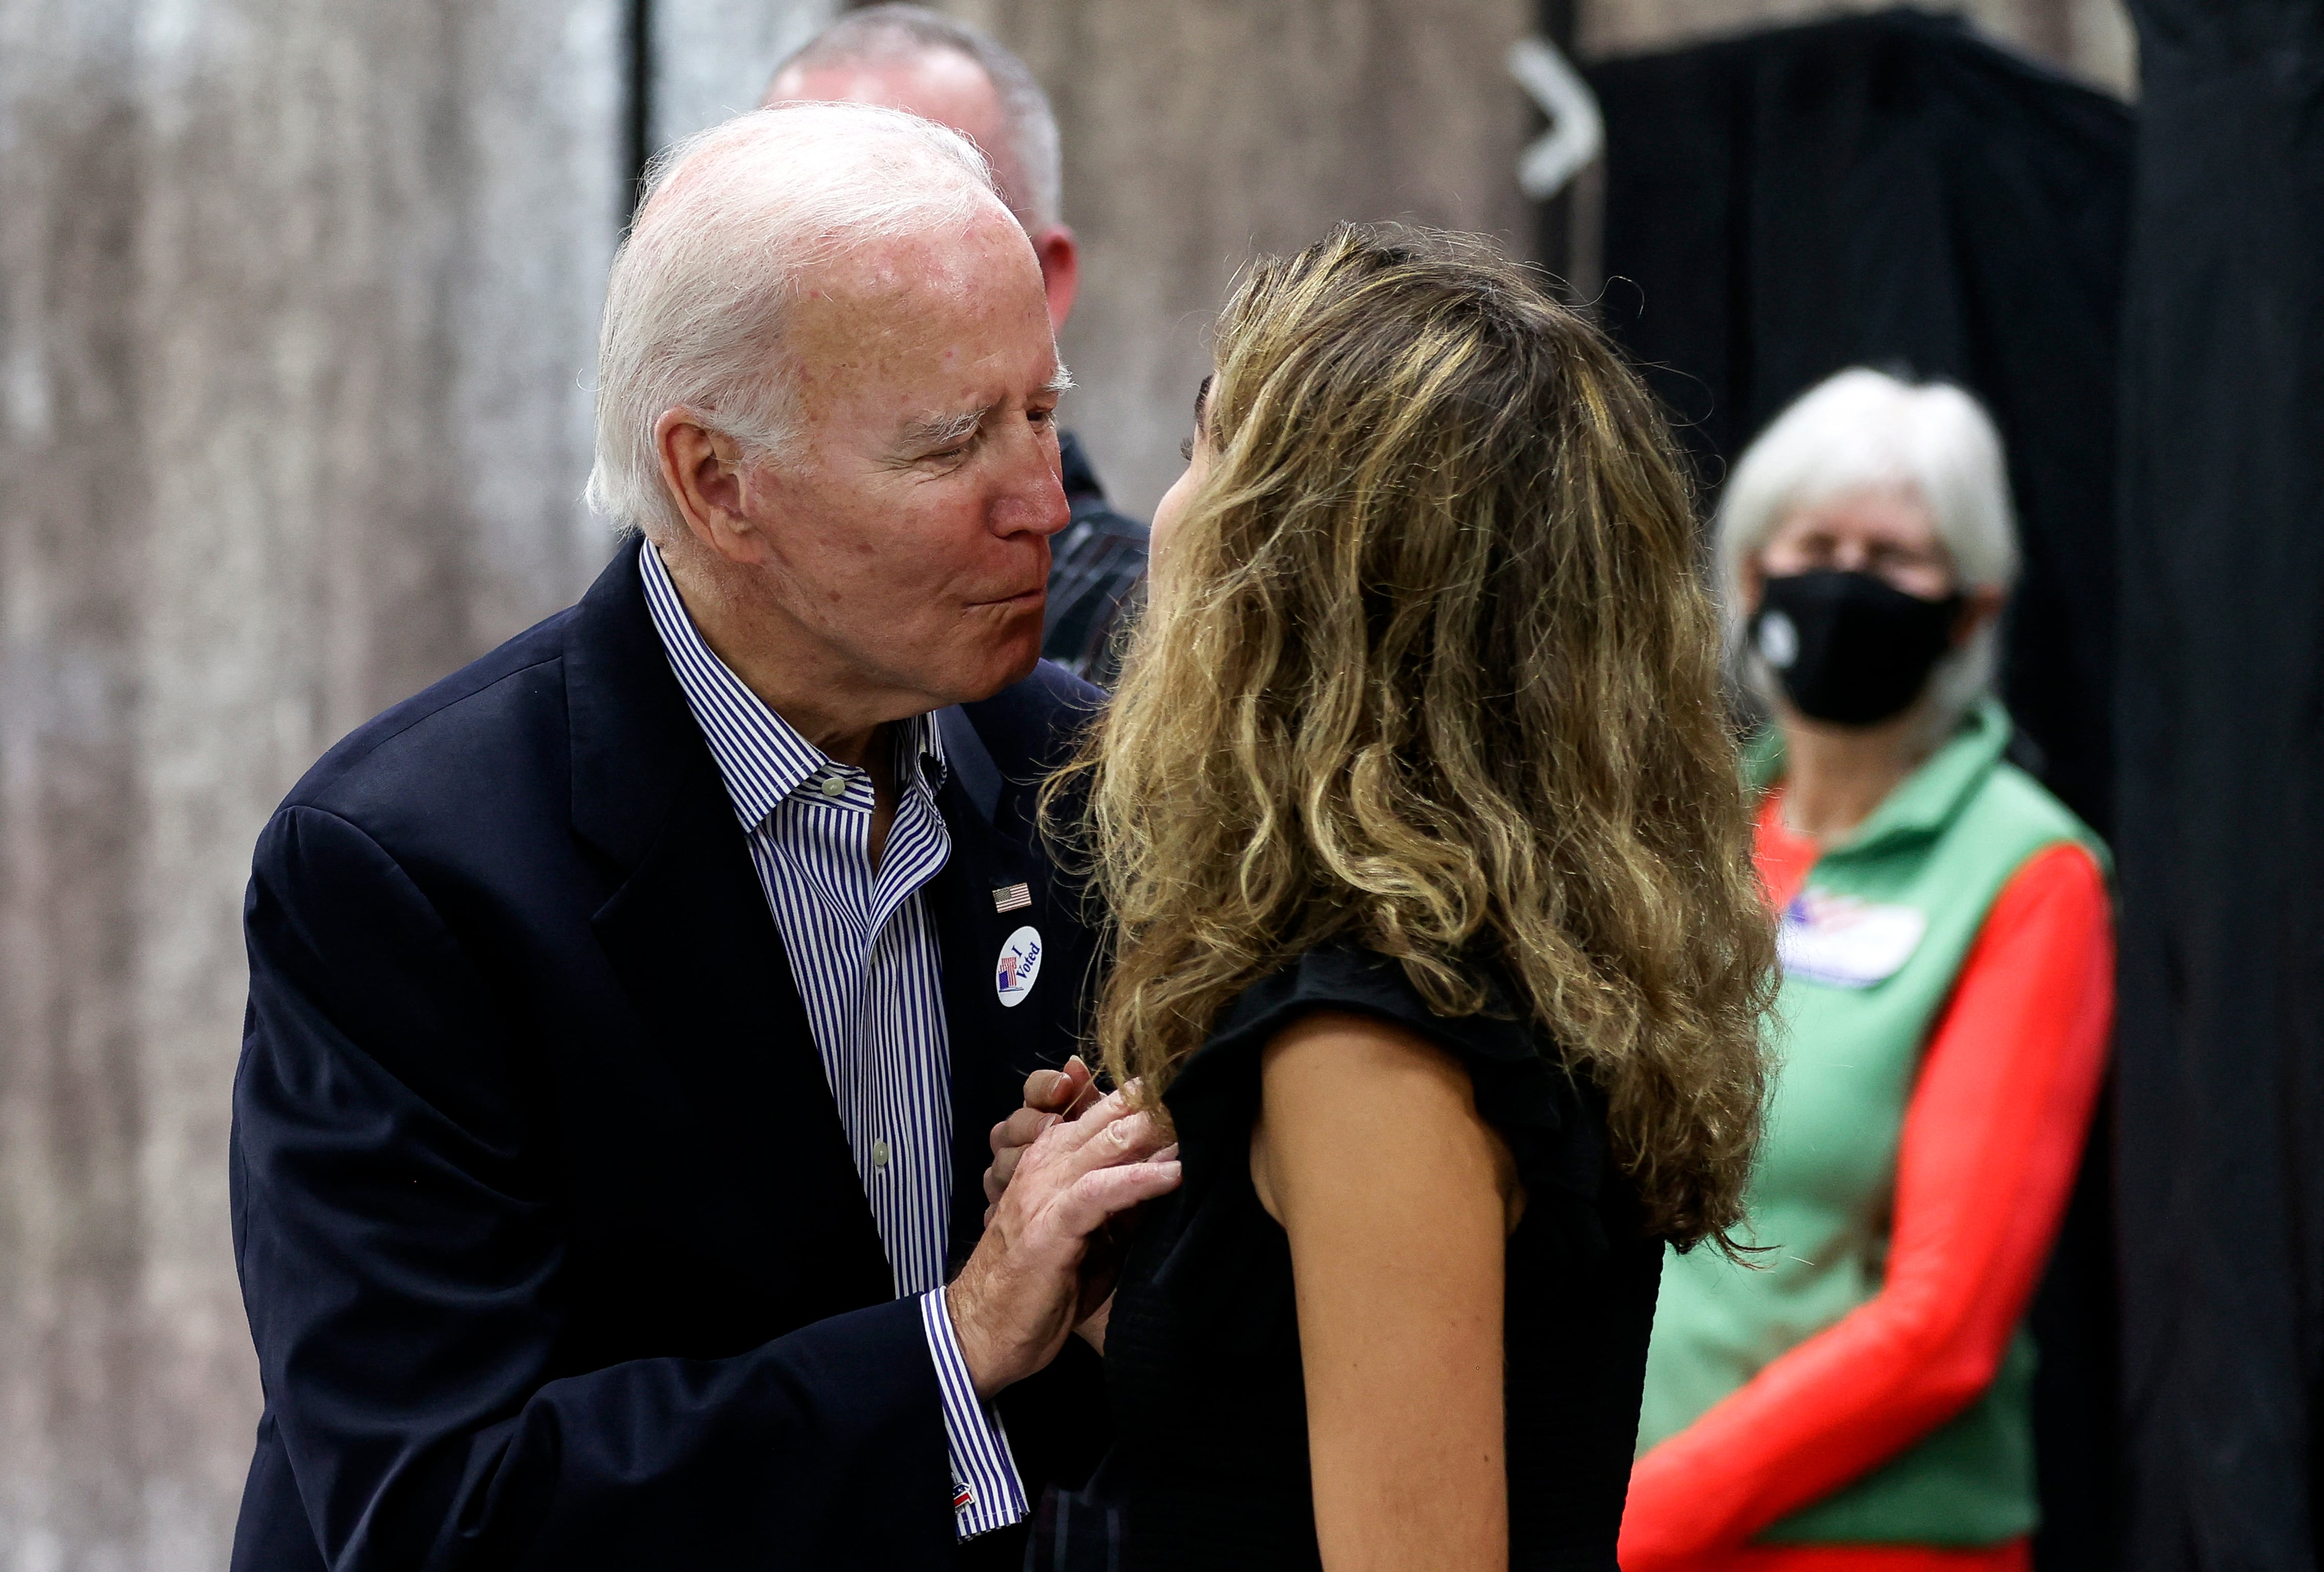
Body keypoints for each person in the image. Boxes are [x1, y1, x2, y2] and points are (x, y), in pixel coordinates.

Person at [227, 103, 1178, 1571]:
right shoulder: (406, 870)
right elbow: (441, 1513)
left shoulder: (1079, 771)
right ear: (717, 482)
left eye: (1043, 414)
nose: (1046, 505)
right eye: (951, 445)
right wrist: (959, 1339)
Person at [1000, 225, 1779, 1571]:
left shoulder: (1367, 1031)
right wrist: (1128, 1280)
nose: (1155, 518)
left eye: (1204, 449)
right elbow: (1304, 1432)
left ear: (1303, 568)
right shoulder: (1484, 954)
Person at [1618, 369, 2116, 1572]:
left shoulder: (2026, 869)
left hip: (1852, 1544)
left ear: (1968, 609)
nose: (1844, 582)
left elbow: (1941, 1325)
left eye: (1890, 558)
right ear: (1749, 576)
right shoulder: (1681, 833)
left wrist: (1632, 1523)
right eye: (1815, 547)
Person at [765, 6, 1148, 687]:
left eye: (913, 239)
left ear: (1044, 281)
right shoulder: (687, 592)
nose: (838, 293)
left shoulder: (1153, 641)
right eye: (787, 244)